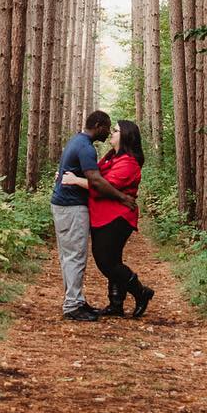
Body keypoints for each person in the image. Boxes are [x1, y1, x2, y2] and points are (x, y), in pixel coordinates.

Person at [61, 118, 154, 319]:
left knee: (106, 261)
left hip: (117, 218)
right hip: (104, 216)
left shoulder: (129, 163)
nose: (112, 133)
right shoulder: (112, 157)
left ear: (126, 136)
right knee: (113, 259)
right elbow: (96, 175)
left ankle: (141, 292)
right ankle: (116, 303)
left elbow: (104, 185)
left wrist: (75, 180)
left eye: (116, 130)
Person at [50, 110, 135, 322]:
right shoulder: (86, 148)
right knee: (75, 257)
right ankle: (72, 306)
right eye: (107, 128)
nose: (107, 133)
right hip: (70, 207)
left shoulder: (77, 142)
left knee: (70, 256)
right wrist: (123, 198)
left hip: (65, 205)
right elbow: (96, 181)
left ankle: (76, 300)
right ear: (98, 125)